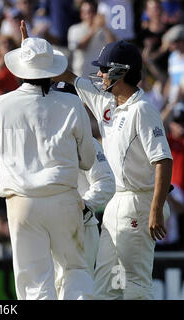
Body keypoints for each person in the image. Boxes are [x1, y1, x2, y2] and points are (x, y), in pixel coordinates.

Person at [0, 22, 95, 300]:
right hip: (63, 197)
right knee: (74, 270)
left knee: (34, 281)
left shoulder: (0, 104)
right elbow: (89, 159)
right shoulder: (71, 104)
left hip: (21, 202)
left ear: (20, 69)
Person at [54, 40, 173, 299]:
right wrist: (31, 49)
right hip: (115, 202)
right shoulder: (106, 103)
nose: (99, 74)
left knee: (135, 285)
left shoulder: (142, 110)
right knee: (107, 289)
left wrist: (155, 211)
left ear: (121, 71)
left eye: (104, 69)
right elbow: (67, 76)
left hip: (139, 203)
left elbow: (163, 160)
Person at [54, 137, 115, 298]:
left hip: (81, 228)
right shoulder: (35, 138)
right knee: (47, 289)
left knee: (77, 291)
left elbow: (106, 182)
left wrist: (83, 208)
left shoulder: (85, 141)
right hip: (44, 228)